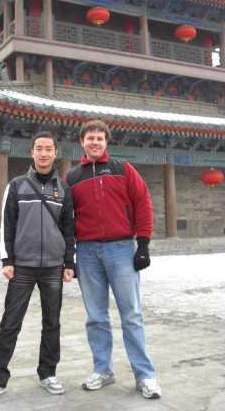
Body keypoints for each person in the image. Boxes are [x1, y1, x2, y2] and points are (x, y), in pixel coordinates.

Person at [66, 119, 161, 400]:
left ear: (107, 142)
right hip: (87, 252)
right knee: (95, 317)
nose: (94, 142)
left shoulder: (123, 169)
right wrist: (69, 255)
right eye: (89, 138)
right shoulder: (72, 177)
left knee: (131, 314)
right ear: (81, 142)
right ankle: (103, 370)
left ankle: (144, 375)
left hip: (121, 249)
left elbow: (143, 202)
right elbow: (67, 220)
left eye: (99, 138)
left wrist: (142, 244)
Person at [0, 131, 75, 402]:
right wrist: (7, 260)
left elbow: (69, 229)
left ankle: (48, 373)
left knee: (52, 322)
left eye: (48, 149)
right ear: (31, 152)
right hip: (22, 267)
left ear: (56, 153)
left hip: (54, 267)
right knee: (10, 322)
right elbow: (6, 225)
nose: (43, 153)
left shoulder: (64, 190)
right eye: (39, 148)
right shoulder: (17, 185)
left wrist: (69, 262)